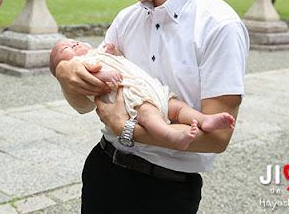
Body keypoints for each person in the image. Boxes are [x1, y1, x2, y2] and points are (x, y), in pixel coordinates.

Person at [53, 0, 249, 213]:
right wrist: (66, 74)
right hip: (103, 171)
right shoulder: (126, 20)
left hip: (165, 192)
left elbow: (219, 137)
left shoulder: (218, 26)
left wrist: (126, 129)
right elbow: (85, 104)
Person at [49, 39, 235, 151]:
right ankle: (170, 135)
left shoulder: (100, 52)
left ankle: (204, 120)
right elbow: (93, 76)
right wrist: (102, 75)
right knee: (149, 114)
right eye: (65, 49)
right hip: (135, 99)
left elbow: (121, 60)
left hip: (153, 90)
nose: (72, 43)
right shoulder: (84, 63)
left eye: (74, 41)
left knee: (177, 107)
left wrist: (115, 52)